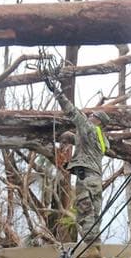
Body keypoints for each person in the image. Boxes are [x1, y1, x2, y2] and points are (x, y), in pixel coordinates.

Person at [43, 76, 110, 245]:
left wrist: (57, 92)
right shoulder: (102, 139)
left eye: (93, 115)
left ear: (98, 120)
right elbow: (82, 142)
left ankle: (91, 248)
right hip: (96, 179)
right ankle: (96, 246)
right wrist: (68, 137)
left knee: (85, 212)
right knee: (94, 214)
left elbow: (72, 112)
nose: (90, 116)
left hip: (86, 178)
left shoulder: (89, 128)